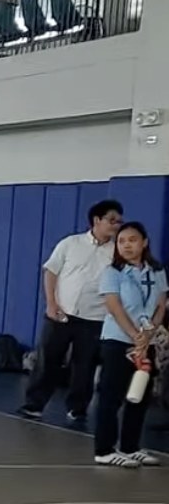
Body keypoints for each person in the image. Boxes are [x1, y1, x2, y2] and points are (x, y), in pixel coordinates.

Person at [19, 200, 122, 423]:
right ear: (97, 220)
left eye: (119, 221)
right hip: (61, 313)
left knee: (85, 365)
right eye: (112, 220)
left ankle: (77, 408)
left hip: (95, 317)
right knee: (48, 359)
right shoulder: (71, 243)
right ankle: (34, 404)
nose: (116, 225)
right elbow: (51, 272)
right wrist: (51, 303)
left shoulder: (117, 252)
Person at [92, 221, 166, 468]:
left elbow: (160, 305)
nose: (126, 245)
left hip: (146, 341)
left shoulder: (157, 271)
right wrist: (135, 335)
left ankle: (130, 446)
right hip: (118, 340)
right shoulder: (112, 272)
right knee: (111, 397)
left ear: (144, 242)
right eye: (122, 241)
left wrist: (149, 335)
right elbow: (114, 306)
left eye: (132, 240)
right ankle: (104, 449)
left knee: (140, 397)